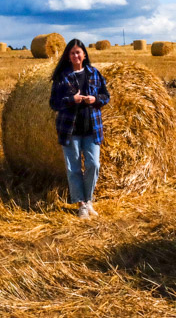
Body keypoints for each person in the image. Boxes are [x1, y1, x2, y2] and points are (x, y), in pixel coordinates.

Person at [49, 39, 110, 219]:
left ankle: (88, 199)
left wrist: (95, 99)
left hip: (92, 128)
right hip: (70, 129)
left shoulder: (94, 73)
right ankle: (82, 204)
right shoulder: (62, 78)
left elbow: (106, 96)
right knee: (73, 168)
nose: (76, 56)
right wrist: (71, 100)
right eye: (72, 53)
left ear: (84, 54)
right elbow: (53, 103)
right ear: (68, 57)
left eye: (78, 52)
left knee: (93, 165)